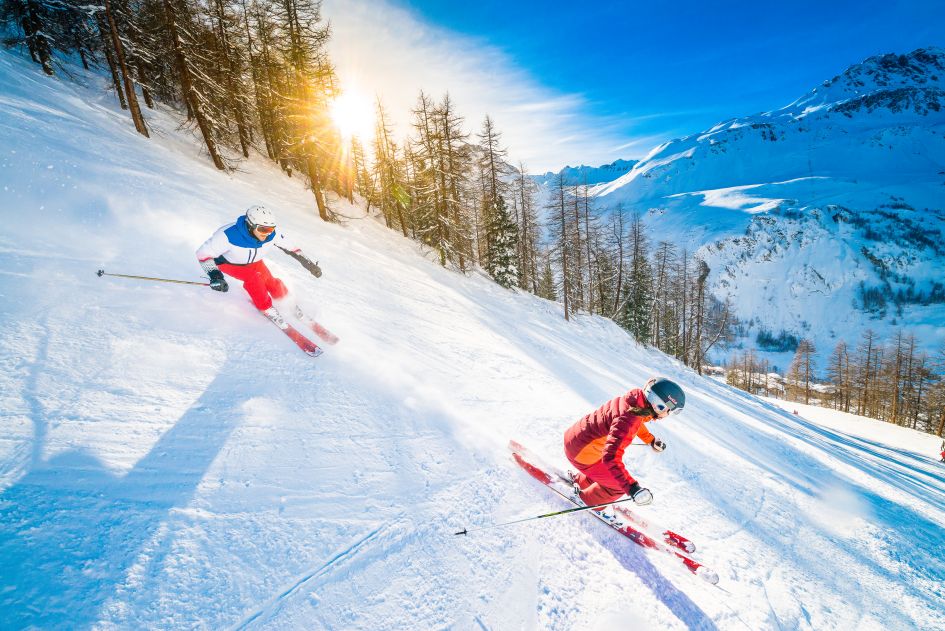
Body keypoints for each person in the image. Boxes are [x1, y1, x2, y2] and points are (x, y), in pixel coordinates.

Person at [564, 377, 685, 509]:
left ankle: (578, 482)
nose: (667, 415)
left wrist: (650, 440)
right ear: (659, 405)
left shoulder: (635, 402)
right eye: (669, 411)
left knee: (605, 471)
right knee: (617, 486)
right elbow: (611, 457)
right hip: (581, 452)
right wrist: (632, 488)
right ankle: (585, 501)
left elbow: (635, 422)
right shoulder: (630, 419)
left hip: (577, 440)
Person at [196, 205, 322, 327]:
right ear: (251, 225)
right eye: (263, 229)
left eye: (270, 229)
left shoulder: (272, 235)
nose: (266, 233)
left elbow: (292, 248)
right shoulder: (228, 234)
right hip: (229, 263)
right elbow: (203, 254)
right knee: (254, 278)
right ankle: (267, 308)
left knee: (271, 281)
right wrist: (215, 276)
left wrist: (309, 264)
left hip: (254, 262)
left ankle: (288, 303)